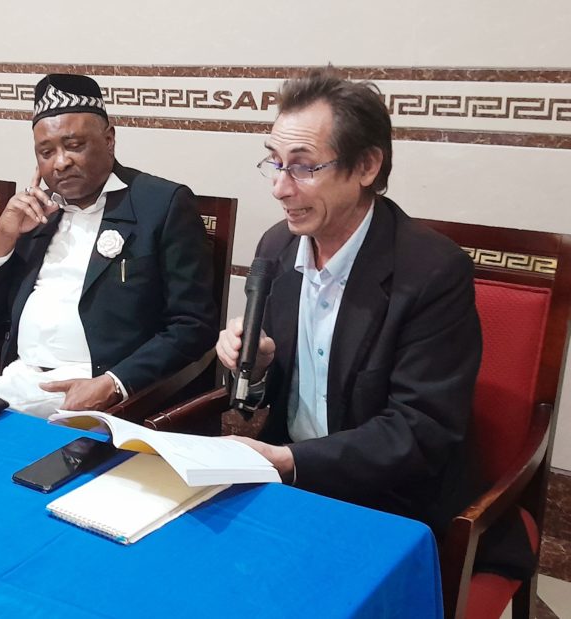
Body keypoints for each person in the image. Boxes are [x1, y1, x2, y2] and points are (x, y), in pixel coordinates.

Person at [218, 68, 532, 575]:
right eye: (274, 162)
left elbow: (421, 430)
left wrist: (292, 462)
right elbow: (270, 395)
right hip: (291, 482)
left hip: (392, 501)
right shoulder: (277, 246)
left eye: (303, 166)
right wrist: (255, 365)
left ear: (366, 165)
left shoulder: (431, 271)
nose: (279, 188)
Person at [0, 74, 218, 417]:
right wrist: (2, 242)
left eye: (74, 145)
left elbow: (193, 325)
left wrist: (115, 383)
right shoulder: (38, 213)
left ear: (109, 139)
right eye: (46, 152)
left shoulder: (160, 204)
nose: (60, 162)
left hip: (98, 396)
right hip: (18, 381)